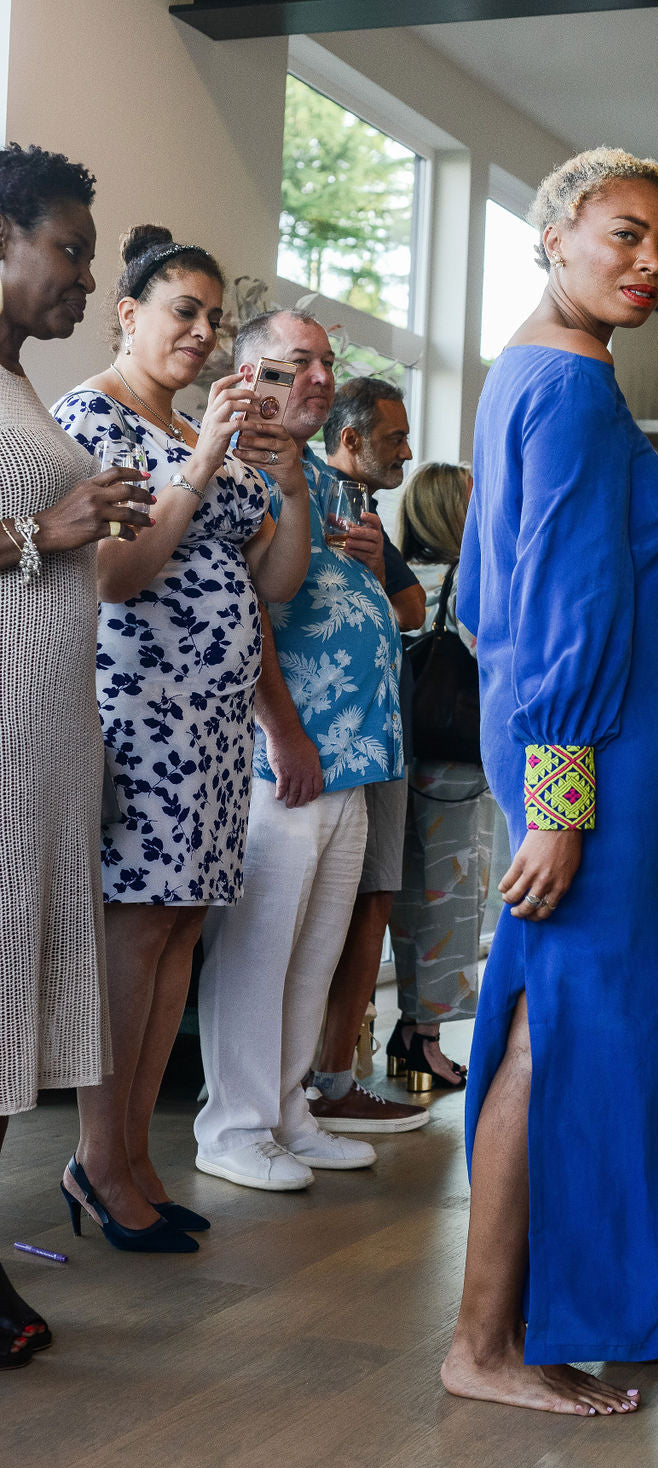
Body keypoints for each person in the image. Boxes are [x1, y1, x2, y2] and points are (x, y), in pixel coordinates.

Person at [443, 147, 658, 1417]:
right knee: (560, 1031)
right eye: (624, 235)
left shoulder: (525, 374)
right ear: (554, 236)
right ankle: (485, 1342)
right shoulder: (578, 392)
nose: (649, 262)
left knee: (657, 1010)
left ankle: (629, 1293)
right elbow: (556, 615)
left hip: (612, 767)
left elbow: (490, 598)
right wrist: (557, 801)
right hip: (598, 774)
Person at [52, 226, 310, 1249]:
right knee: (136, 934)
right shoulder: (92, 416)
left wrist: (284, 478)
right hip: (139, 713)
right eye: (182, 311)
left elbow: (276, 580)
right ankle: (98, 1156)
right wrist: (203, 457)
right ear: (128, 312)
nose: (202, 333)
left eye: (214, 317)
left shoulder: (207, 426)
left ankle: (135, 1158)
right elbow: (116, 575)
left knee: (182, 932)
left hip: (211, 724)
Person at [194, 310, 427, 1191]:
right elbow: (247, 609)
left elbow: (369, 606)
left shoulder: (330, 484)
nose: (319, 377)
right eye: (298, 364)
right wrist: (282, 730)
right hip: (283, 755)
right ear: (251, 376)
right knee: (260, 946)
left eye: (326, 362)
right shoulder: (236, 466)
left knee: (314, 947)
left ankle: (290, 1109)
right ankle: (235, 1125)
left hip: (352, 755)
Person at [0, 142, 155, 1367]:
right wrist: (34, 531)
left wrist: (84, 518)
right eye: (67, 248)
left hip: (46, 742)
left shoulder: (19, 386)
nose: (81, 274)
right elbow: (25, 540)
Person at [303, 380, 426, 1124]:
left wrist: (379, 574)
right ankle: (316, 1080)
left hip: (383, 735)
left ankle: (333, 1076)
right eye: (394, 439)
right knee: (328, 904)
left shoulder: (368, 515)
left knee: (373, 895)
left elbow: (410, 608)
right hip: (325, 739)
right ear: (349, 440)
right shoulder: (312, 497)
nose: (407, 451)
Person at [388, 462, 495, 1090]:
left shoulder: (399, 577)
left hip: (396, 754)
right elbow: (490, 655)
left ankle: (397, 1028)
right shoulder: (468, 582)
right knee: (451, 902)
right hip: (453, 761)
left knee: (400, 900)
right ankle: (423, 1039)